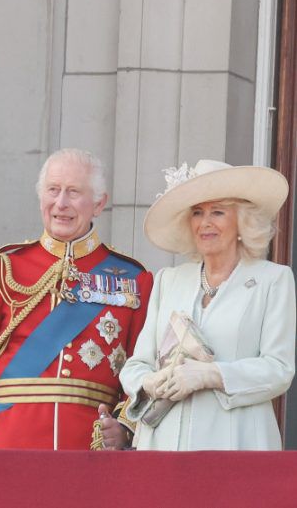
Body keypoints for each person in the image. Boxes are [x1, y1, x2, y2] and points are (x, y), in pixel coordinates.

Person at [0, 148, 153, 450]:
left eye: (74, 192)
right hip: (8, 444)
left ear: (99, 204)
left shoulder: (134, 279)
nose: (61, 203)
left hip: (88, 448)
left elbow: (141, 367)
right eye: (53, 190)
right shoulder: (5, 267)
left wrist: (124, 428)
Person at [120, 160, 295, 450]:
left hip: (237, 445)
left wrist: (211, 375)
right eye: (198, 212)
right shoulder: (169, 280)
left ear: (242, 220)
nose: (205, 222)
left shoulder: (272, 280)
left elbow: (279, 369)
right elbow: (136, 365)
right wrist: (149, 382)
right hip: (164, 446)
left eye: (218, 212)